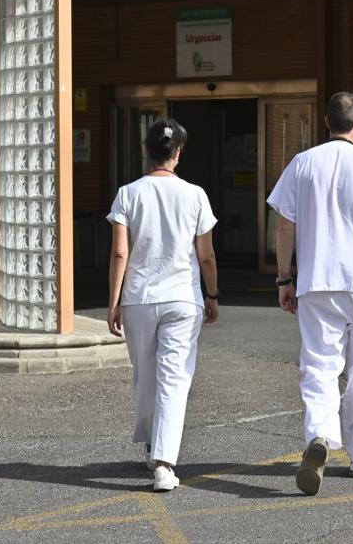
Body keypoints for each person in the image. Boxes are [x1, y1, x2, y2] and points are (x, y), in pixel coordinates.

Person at [266, 92, 353, 496]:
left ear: (326, 122)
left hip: (316, 280)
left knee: (319, 366)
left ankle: (321, 436)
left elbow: (285, 227)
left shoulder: (302, 164)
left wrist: (284, 278)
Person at [107, 118, 220, 493]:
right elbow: (205, 256)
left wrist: (114, 302)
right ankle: (163, 464)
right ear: (178, 153)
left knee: (146, 376)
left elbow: (120, 252)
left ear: (147, 150)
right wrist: (213, 295)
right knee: (174, 380)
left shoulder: (128, 193)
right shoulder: (195, 195)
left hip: (138, 297)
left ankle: (153, 443)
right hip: (182, 298)